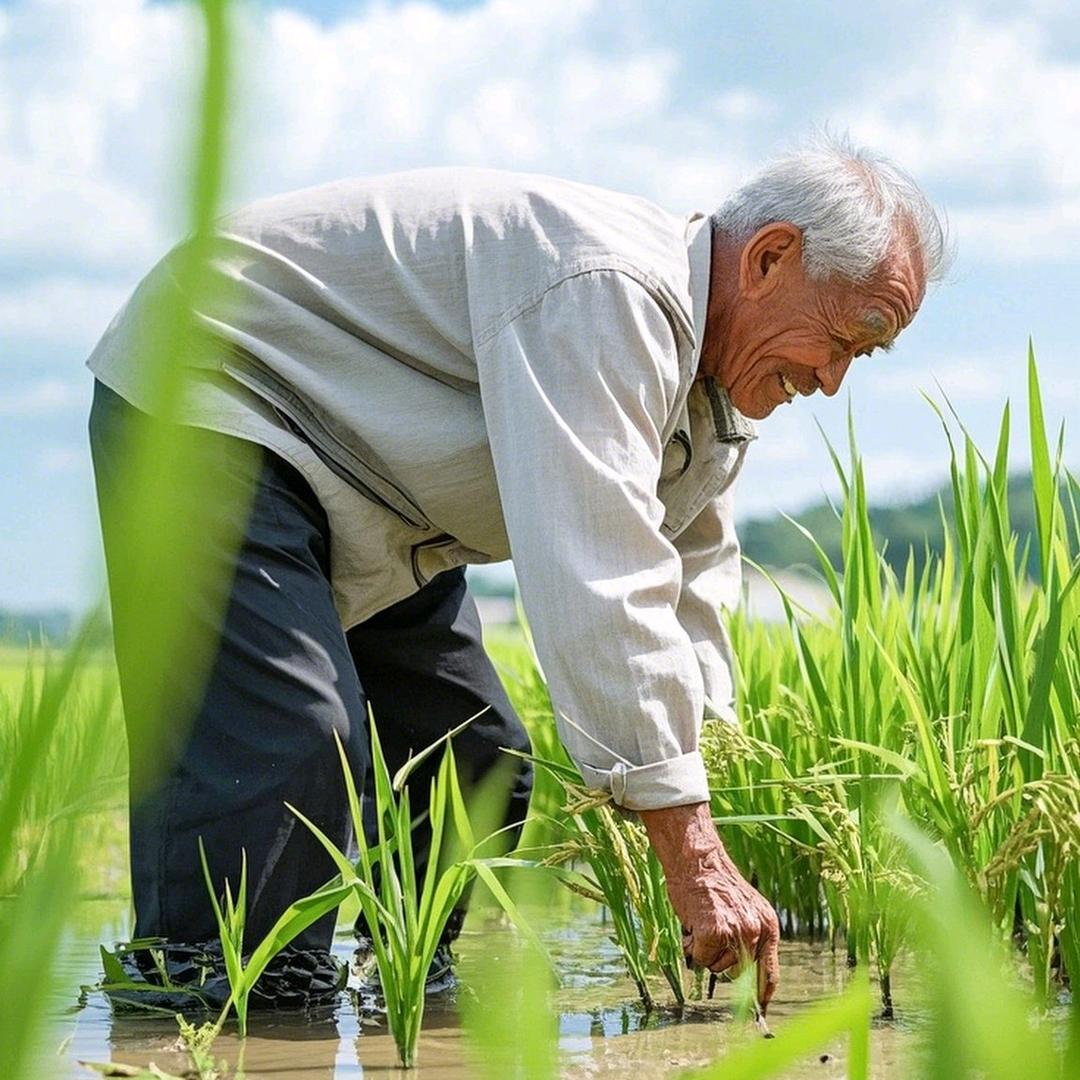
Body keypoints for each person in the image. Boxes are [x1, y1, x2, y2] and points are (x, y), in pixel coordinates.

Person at [87, 132, 947, 1010]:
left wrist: (696, 779)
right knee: (293, 735)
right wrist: (688, 851)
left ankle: (403, 989)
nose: (833, 380)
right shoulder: (607, 296)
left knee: (472, 752)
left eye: (862, 358)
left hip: (375, 484)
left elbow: (688, 586)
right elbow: (598, 577)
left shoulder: (707, 391)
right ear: (770, 258)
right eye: (844, 338)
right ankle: (223, 1002)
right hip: (220, 394)